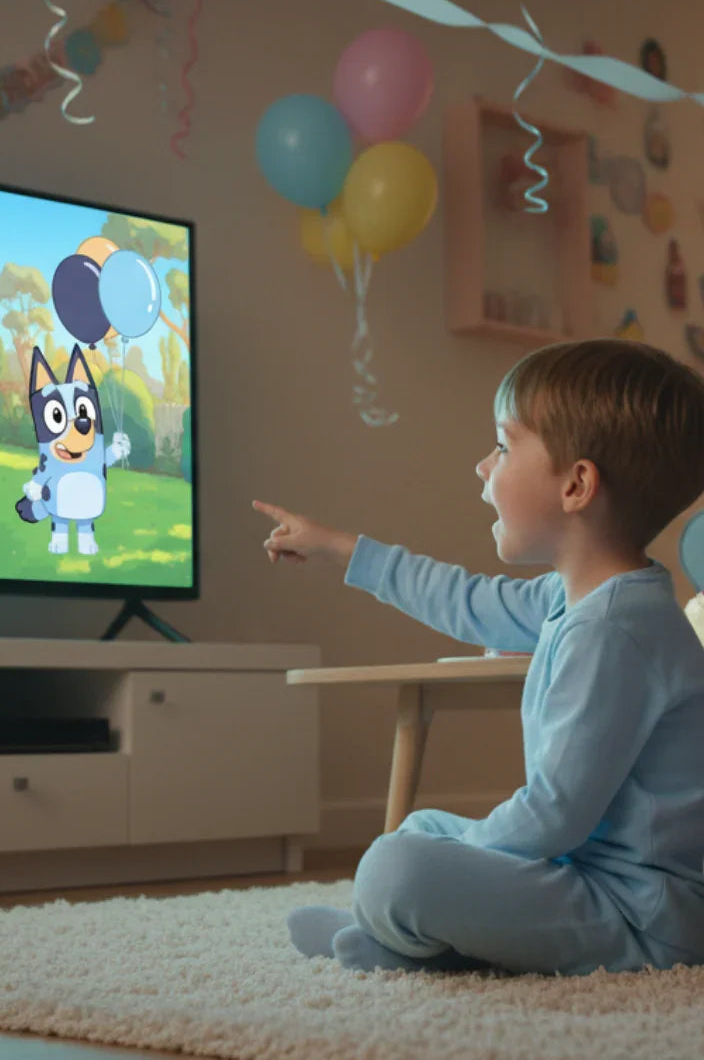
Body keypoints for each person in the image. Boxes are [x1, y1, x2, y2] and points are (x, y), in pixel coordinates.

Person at [255, 338, 704, 976]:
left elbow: (553, 818)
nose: (481, 466)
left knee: (397, 868)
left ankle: (409, 939)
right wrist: (339, 548)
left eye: (502, 444)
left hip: (646, 918)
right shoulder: (575, 598)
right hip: (593, 878)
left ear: (576, 485)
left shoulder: (614, 631)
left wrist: (466, 859)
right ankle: (404, 935)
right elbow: (465, 602)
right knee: (418, 831)